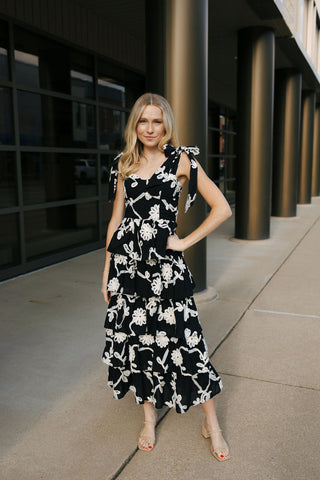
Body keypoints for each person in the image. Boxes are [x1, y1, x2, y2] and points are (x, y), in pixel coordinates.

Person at [101, 93, 232, 461]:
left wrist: (184, 241)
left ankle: (212, 424)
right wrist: (107, 271)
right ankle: (147, 419)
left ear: (166, 124)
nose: (150, 128)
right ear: (135, 125)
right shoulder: (123, 163)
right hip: (128, 272)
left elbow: (222, 207)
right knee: (138, 344)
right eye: (143, 121)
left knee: (188, 346)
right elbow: (116, 221)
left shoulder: (182, 159)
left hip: (167, 272)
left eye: (156, 121)